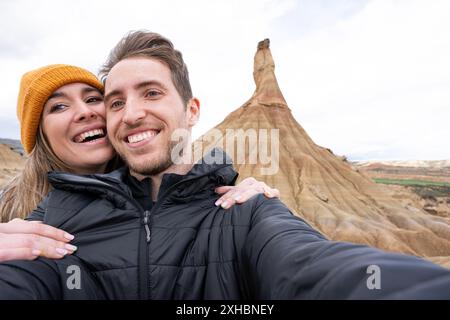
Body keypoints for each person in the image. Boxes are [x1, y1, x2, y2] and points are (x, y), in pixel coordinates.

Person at [1, 30, 450, 299]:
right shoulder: (43, 227)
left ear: (192, 110)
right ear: (38, 137)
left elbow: (309, 266)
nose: (129, 112)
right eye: (116, 100)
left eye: (152, 93)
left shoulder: (243, 209)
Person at [0, 64, 279, 263]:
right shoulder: (9, 208)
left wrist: (250, 202)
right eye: (59, 106)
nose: (85, 112)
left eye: (94, 99)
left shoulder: (160, 195)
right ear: (40, 135)